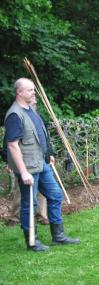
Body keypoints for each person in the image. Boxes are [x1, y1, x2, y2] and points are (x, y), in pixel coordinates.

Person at [4, 78, 80, 252]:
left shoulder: (31, 110)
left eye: (33, 90)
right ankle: (32, 241)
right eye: (30, 90)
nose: (33, 93)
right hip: (28, 168)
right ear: (19, 92)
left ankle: (58, 236)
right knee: (29, 204)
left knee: (55, 195)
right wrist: (23, 173)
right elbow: (12, 145)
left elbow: (40, 136)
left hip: (42, 163)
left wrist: (48, 154)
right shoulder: (15, 115)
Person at [3, 97, 50, 225]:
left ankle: (41, 215)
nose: (33, 104)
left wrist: (49, 154)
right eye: (32, 102)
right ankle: (15, 217)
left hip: (40, 160)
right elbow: (9, 141)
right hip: (25, 162)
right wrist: (8, 159)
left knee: (42, 191)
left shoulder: (38, 118)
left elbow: (45, 138)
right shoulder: (17, 117)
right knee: (23, 192)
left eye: (35, 103)